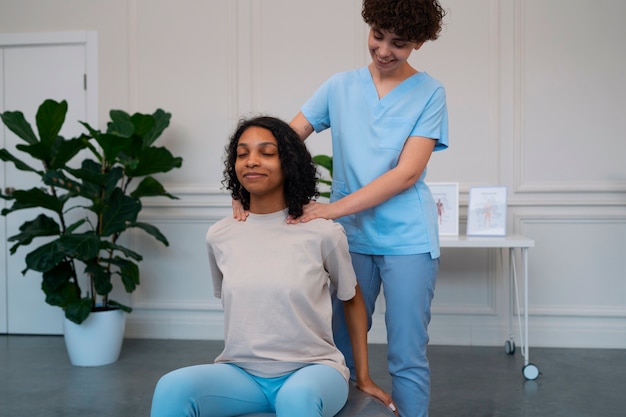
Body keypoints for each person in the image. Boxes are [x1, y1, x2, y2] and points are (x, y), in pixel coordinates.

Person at [235, 2, 449, 416]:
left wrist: (331, 209)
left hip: (408, 238)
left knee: (407, 352)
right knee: (339, 349)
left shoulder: (430, 92)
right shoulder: (339, 86)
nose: (384, 50)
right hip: (350, 238)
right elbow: (286, 138)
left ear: (419, 43)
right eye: (377, 36)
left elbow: (406, 174)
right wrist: (247, 179)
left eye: (399, 43)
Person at [150, 116, 395, 417]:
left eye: (266, 153)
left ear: (288, 163)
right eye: (243, 154)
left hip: (313, 371)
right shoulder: (219, 235)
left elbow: (352, 298)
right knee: (171, 387)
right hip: (241, 373)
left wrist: (365, 376)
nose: (252, 161)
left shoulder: (322, 233)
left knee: (296, 398)